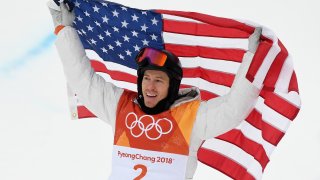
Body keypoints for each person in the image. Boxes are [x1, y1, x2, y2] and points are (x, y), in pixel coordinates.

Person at [48, 2, 261, 180]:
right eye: (146, 78)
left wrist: (254, 58)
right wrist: (64, 30)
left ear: (172, 87)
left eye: (159, 80)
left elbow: (233, 109)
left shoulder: (191, 119)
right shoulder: (120, 107)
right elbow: (83, 80)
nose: (150, 86)